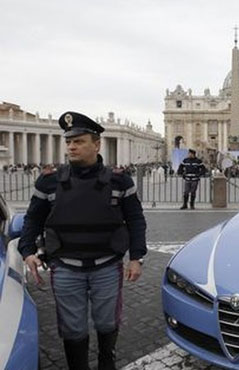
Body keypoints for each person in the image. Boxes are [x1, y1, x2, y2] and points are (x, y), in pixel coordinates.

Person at [18, 111, 147, 370]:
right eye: (68, 142)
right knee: (72, 327)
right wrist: (27, 250)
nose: (71, 147)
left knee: (107, 322)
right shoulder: (49, 181)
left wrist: (136, 257)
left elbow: (135, 220)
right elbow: (32, 219)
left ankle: (105, 361)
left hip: (107, 266)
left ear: (97, 144)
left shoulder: (120, 180)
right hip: (64, 266)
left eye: (79, 141)